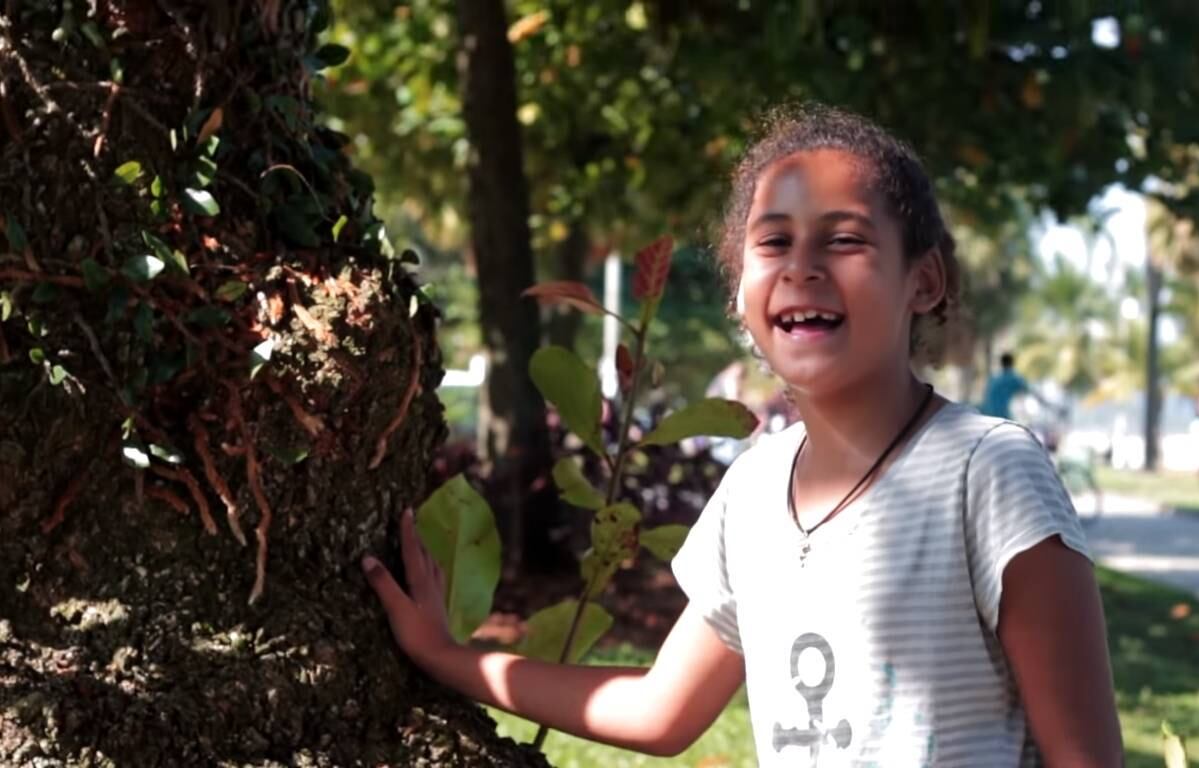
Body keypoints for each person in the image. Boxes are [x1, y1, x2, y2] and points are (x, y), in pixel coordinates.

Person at [362, 105, 1123, 765]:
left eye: (845, 239)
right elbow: (661, 711)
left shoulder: (988, 472)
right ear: (739, 293)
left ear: (923, 281)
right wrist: (449, 658)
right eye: (774, 243)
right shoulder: (752, 492)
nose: (803, 268)